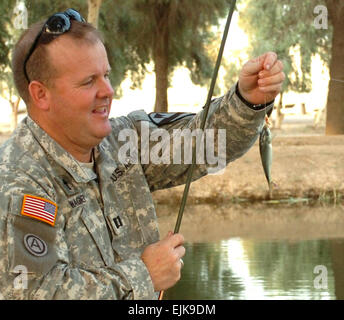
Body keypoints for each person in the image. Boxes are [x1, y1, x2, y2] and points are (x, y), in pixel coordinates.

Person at [0, 9, 284, 299]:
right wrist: (143, 275)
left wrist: (247, 100)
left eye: (106, 75)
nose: (108, 91)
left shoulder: (122, 141)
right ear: (41, 94)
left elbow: (207, 144)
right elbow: (35, 292)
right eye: (88, 82)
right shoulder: (17, 182)